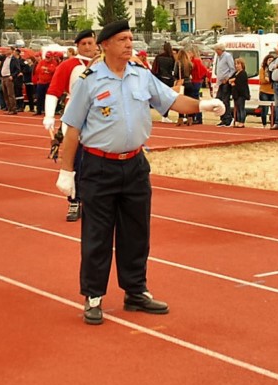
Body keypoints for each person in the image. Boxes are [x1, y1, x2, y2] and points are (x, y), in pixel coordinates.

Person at [54, 19, 226, 324]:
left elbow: (172, 101)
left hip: (134, 164)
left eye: (131, 38)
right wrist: (66, 171)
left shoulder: (140, 76)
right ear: (105, 44)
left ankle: (135, 290)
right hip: (98, 166)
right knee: (98, 234)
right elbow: (72, 129)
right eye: (122, 39)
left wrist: (205, 105)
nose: (129, 44)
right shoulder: (89, 81)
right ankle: (94, 295)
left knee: (137, 232)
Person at [44, 29, 99, 221]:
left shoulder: (105, 64)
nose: (87, 47)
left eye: (90, 43)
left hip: (100, 120)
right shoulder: (68, 65)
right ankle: (74, 200)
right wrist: (49, 115)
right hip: (74, 119)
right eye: (83, 43)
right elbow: (54, 90)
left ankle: (95, 201)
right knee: (75, 161)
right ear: (77, 46)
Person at [212, 44, 234, 126]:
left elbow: (232, 69)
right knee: (219, 100)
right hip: (220, 82)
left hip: (226, 83)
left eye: (217, 50)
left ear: (220, 49)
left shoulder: (227, 56)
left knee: (225, 101)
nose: (216, 52)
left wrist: (227, 78)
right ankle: (222, 118)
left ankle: (228, 119)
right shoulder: (218, 57)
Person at [0, 45, 21, 115]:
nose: (6, 50)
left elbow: (18, 70)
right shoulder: (4, 58)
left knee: (10, 94)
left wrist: (12, 76)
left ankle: (13, 109)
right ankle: (9, 108)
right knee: (5, 94)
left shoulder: (14, 59)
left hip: (9, 77)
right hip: (3, 77)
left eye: (8, 49)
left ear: (12, 51)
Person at [230, 57, 249, 127]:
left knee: (241, 108)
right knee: (237, 108)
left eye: (238, 64)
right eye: (235, 64)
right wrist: (232, 82)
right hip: (235, 94)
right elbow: (230, 80)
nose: (236, 65)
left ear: (242, 65)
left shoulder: (243, 73)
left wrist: (234, 82)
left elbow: (240, 83)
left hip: (241, 94)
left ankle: (242, 121)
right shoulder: (235, 73)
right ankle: (237, 120)